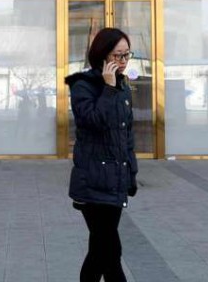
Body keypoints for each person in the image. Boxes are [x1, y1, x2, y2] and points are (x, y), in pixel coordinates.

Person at [65, 28, 138, 282]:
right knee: (110, 251)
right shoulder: (83, 86)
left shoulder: (123, 87)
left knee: (100, 252)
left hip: (115, 182)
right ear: (102, 55)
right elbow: (93, 122)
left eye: (127, 55)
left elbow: (126, 135)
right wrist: (107, 89)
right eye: (117, 55)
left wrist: (131, 173)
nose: (123, 61)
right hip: (93, 182)